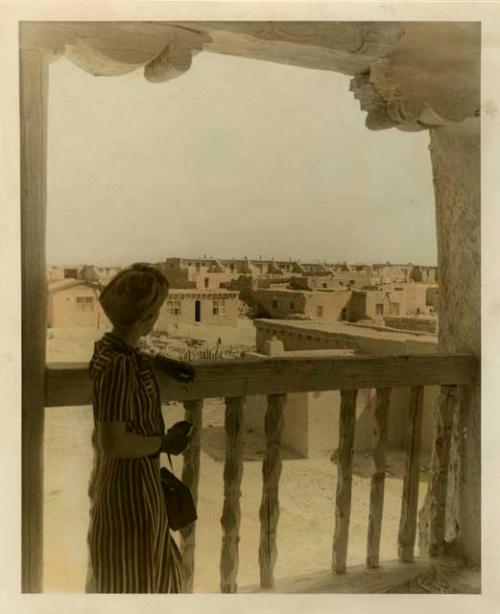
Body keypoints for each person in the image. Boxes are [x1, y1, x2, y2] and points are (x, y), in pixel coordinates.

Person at [85, 263, 195, 593]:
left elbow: (129, 356)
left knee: (146, 570)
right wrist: (164, 442)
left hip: (131, 486)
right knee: (136, 579)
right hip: (129, 491)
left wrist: (160, 361)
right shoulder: (119, 366)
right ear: (147, 318)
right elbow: (113, 443)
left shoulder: (113, 350)